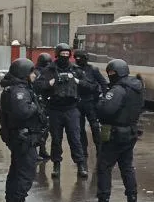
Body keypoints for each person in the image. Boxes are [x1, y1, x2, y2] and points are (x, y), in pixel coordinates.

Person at [35, 43, 95, 178]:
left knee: (75, 138)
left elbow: (91, 86)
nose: (64, 57)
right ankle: (56, 165)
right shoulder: (49, 70)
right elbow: (37, 86)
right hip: (54, 109)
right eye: (62, 55)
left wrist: (76, 81)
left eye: (67, 55)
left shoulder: (76, 70)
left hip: (71, 109)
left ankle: (81, 165)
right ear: (57, 55)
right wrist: (50, 83)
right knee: (56, 139)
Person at [93, 58, 144, 202]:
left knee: (104, 167)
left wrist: (100, 102)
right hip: (130, 132)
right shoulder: (136, 87)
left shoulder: (118, 89)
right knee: (127, 167)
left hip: (115, 134)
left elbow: (106, 110)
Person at [0, 57, 46, 202]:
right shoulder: (18, 91)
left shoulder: (18, 88)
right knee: (25, 174)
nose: (34, 75)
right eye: (31, 72)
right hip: (23, 139)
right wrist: (35, 105)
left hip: (20, 138)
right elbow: (22, 112)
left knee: (16, 172)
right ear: (24, 73)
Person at [74, 49, 109, 165]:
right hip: (78, 102)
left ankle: (99, 150)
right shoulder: (73, 69)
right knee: (80, 128)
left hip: (91, 102)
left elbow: (103, 82)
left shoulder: (92, 69)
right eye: (77, 58)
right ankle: (83, 151)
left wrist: (104, 97)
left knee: (95, 127)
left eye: (81, 58)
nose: (79, 60)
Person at [34, 52, 54, 161]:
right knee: (37, 129)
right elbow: (36, 86)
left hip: (46, 102)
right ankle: (35, 152)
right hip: (37, 102)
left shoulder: (49, 73)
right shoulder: (36, 73)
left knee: (46, 129)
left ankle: (42, 149)